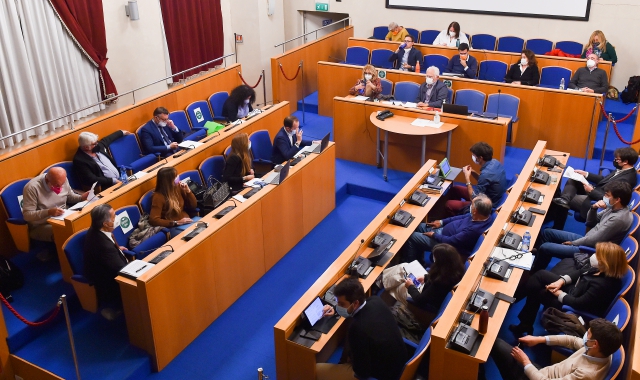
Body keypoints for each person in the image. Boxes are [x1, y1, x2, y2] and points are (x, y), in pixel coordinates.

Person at [510, 242, 627, 338]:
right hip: (574, 290)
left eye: (599, 255)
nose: (595, 256)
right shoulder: (600, 268)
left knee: (537, 290)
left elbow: (579, 303)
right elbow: (580, 272)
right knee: (540, 276)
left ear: (606, 263)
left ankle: (517, 310)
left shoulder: (603, 285)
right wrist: (561, 281)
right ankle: (520, 314)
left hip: (572, 305)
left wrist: (560, 294)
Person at [315, 278, 407, 380]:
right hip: (399, 363)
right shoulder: (375, 300)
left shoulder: (357, 328)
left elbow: (362, 371)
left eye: (341, 304)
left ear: (355, 303)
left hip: (383, 374)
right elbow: (356, 313)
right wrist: (336, 311)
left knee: (315, 369)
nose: (338, 306)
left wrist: (351, 359)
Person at [531, 181, 633, 273]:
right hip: (587, 239)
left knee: (545, 247)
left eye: (607, 195)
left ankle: (533, 272)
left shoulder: (618, 219)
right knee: (548, 232)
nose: (604, 197)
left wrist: (573, 243)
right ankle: (535, 263)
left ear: (617, 199)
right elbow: (592, 221)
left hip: (591, 250)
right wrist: (593, 208)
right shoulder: (614, 207)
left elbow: (594, 241)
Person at [490, 318, 622, 380]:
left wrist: (525, 362)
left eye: (589, 333)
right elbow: (571, 340)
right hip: (543, 373)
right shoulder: (602, 351)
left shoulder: (586, 374)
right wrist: (540, 339)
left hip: (538, 377)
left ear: (595, 344)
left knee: (494, 344)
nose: (585, 335)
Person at [551, 147, 637, 228]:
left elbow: (610, 200)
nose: (614, 160)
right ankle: (564, 199)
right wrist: (586, 174)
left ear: (625, 161)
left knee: (565, 200)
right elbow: (605, 179)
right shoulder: (622, 169)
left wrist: (592, 191)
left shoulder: (627, 180)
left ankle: (557, 227)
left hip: (596, 201)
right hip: (596, 191)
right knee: (573, 180)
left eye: (617, 159)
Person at [400, 194, 495, 264]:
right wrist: (441, 222)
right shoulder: (483, 215)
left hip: (445, 244)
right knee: (416, 226)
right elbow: (460, 217)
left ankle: (409, 265)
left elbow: (451, 241)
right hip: (442, 231)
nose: (470, 206)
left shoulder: (473, 230)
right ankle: (418, 259)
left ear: (475, 211)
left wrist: (434, 235)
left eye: (472, 205)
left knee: (412, 237)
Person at [381, 244, 464, 315]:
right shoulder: (456, 269)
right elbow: (436, 277)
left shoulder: (440, 283)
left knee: (398, 287)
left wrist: (410, 286)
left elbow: (419, 300)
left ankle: (382, 292)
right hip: (428, 290)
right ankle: (381, 281)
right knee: (405, 266)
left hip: (425, 304)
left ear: (441, 262)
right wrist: (426, 277)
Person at [83, 204, 130, 320]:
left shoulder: (96, 230)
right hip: (108, 283)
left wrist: (118, 249)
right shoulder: (103, 245)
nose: (117, 218)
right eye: (114, 217)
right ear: (105, 223)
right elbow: (122, 270)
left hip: (109, 266)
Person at [22, 167, 89, 243]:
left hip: (64, 216)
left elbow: (70, 197)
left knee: (83, 223)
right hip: (42, 225)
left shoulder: (62, 180)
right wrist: (49, 212)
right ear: (47, 180)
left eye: (62, 185)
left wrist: (81, 197)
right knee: (67, 231)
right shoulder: (32, 188)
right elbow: (27, 215)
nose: (60, 188)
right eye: (57, 186)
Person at [445, 142, 507, 216]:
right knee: (456, 189)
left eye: (474, 155)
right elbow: (485, 181)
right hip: (488, 195)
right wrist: (473, 172)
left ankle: (459, 219)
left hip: (485, 205)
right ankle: (460, 211)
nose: (472, 157)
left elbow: (473, 199)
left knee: (448, 204)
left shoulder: (486, 174)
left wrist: (467, 177)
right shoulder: (495, 162)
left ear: (480, 158)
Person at [149, 167, 198, 238]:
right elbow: (153, 220)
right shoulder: (158, 197)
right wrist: (176, 222)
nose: (177, 178)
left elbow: (193, 206)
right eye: (175, 177)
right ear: (168, 181)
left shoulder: (178, 187)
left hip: (188, 221)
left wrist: (188, 192)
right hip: (173, 227)